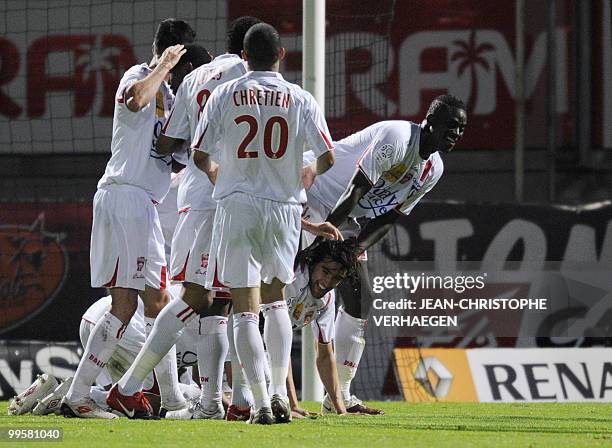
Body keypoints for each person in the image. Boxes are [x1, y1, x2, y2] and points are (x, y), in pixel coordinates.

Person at [108, 17, 262, 421]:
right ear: (253, 49)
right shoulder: (249, 74)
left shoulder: (192, 81)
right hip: (226, 196)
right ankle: (130, 389)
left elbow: (167, 141)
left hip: (195, 196)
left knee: (216, 300)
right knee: (222, 297)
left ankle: (218, 403)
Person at [192, 22, 335, 424]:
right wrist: (308, 172)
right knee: (275, 301)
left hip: (239, 206)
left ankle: (258, 405)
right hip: (284, 208)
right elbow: (327, 156)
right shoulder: (300, 98)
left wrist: (217, 170)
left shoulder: (225, 93)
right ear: (282, 54)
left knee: (244, 308)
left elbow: (199, 153)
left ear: (243, 57)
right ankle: (278, 394)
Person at [60, 18, 196, 419]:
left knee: (138, 304)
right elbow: (135, 100)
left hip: (138, 204)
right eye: (182, 59)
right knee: (151, 302)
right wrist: (163, 66)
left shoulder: (172, 99)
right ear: (174, 52)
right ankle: (166, 402)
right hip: (126, 199)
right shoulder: (140, 75)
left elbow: (175, 156)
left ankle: (82, 397)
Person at [302, 94, 467, 412]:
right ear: (430, 120)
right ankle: (243, 387)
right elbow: (355, 190)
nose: (455, 134)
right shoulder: (398, 137)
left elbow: (390, 218)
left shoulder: (433, 170)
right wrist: (323, 242)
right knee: (284, 290)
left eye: (461, 129)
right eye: (450, 126)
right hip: (314, 193)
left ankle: (340, 396)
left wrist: (353, 249)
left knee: (361, 298)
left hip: (344, 217)